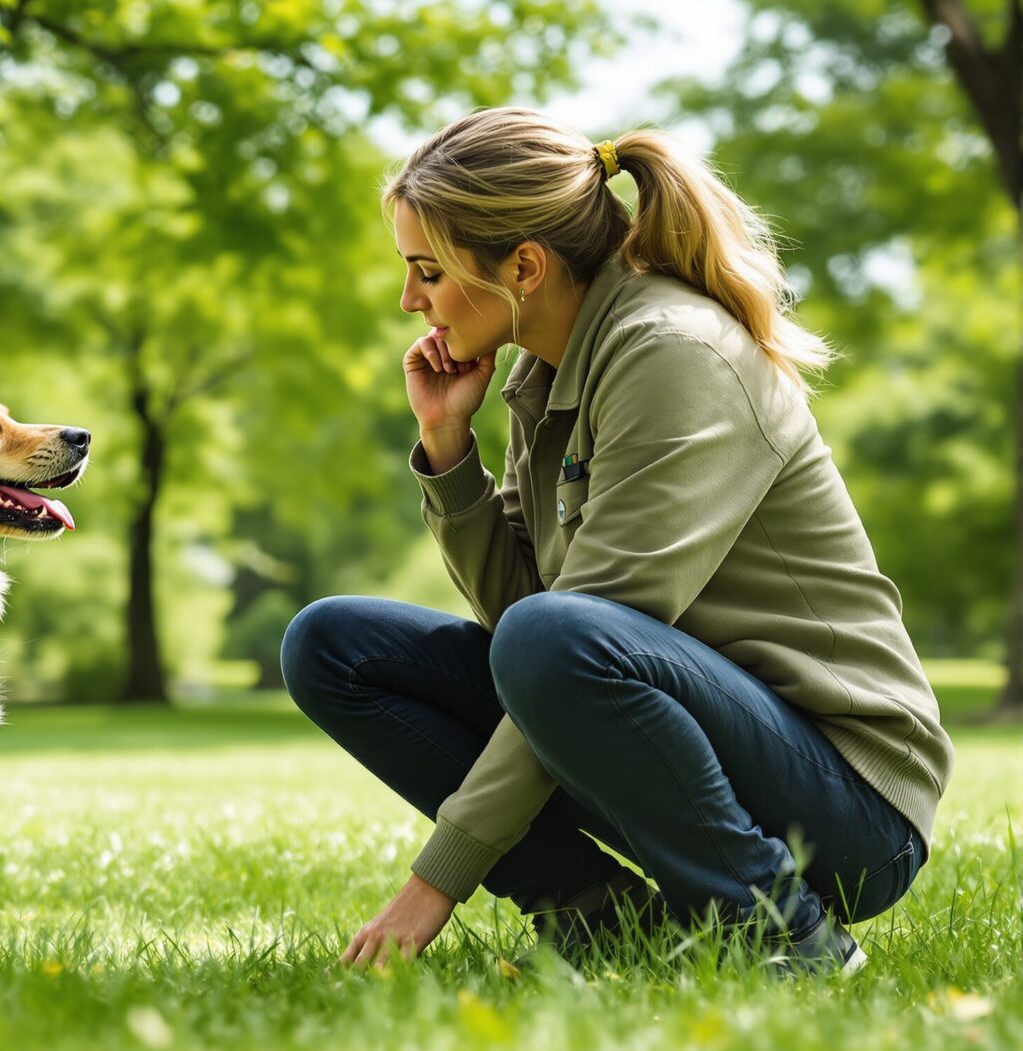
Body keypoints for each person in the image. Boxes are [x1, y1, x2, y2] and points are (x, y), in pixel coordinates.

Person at [279, 107, 952, 973]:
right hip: (682, 734)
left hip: (850, 807)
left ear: (523, 265)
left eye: (427, 271)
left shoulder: (676, 353)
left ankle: (784, 935)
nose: (410, 301)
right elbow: (523, 624)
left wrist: (437, 877)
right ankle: (597, 919)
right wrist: (450, 450)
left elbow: (569, 634)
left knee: (556, 635)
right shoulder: (549, 367)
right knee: (335, 645)